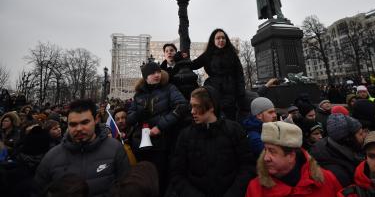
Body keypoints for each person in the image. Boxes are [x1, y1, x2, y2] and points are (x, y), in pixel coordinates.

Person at [167, 87, 255, 197]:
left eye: (197, 106)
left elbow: (247, 166)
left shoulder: (234, 130)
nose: (192, 111)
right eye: (191, 106)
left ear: (211, 106)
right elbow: (177, 174)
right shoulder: (185, 136)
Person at [34, 99, 130, 196]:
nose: (79, 129)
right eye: (73, 124)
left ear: (96, 120)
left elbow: (126, 190)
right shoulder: (51, 157)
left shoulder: (115, 149)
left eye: (85, 122)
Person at [127, 62, 188, 193]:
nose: (157, 75)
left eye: (158, 72)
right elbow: (129, 118)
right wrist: (138, 114)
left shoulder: (169, 88)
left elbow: (182, 106)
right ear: (145, 77)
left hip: (162, 143)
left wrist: (160, 126)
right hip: (141, 145)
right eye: (152, 73)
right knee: (143, 179)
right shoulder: (138, 95)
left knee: (161, 178)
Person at [245, 121, 342, 197]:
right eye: (265, 149)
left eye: (272, 151)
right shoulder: (255, 189)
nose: (265, 158)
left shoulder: (326, 179)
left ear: (291, 156)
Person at [190, 28, 245, 120]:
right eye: (218, 38)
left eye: (223, 38)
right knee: (214, 117)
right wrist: (180, 58)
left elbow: (239, 75)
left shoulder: (232, 55)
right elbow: (193, 65)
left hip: (230, 91)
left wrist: (241, 93)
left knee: (229, 119)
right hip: (212, 91)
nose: (221, 40)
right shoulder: (208, 54)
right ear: (213, 40)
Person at [310, 113, 367, 187]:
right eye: (360, 134)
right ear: (348, 139)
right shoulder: (339, 174)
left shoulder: (332, 145)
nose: (363, 137)